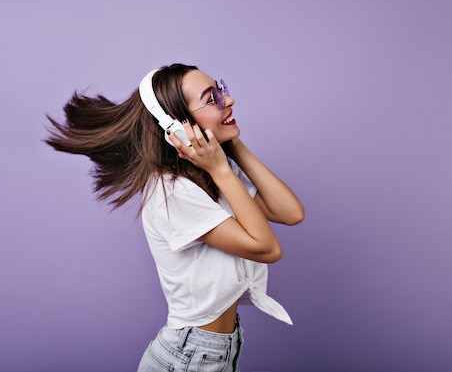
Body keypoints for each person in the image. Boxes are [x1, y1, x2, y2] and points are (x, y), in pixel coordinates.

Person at [45, 63, 304, 371]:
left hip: (212, 352)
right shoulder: (173, 191)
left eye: (221, 90)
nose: (228, 100)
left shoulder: (212, 175)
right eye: (212, 99)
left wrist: (231, 143)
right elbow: (267, 248)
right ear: (176, 127)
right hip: (186, 358)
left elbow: (290, 212)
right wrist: (220, 167)